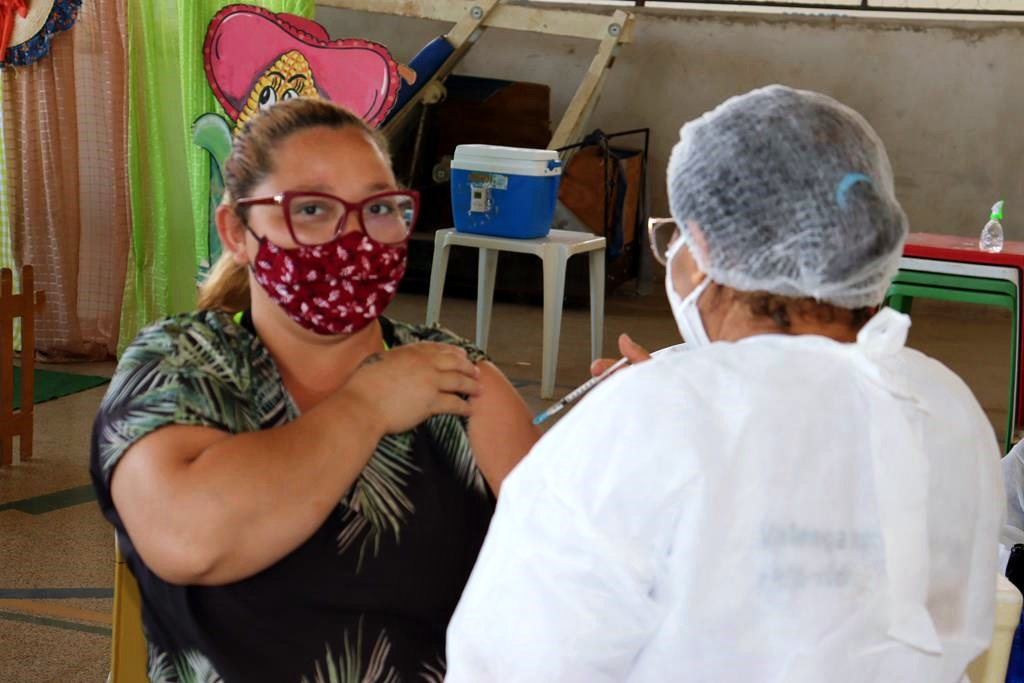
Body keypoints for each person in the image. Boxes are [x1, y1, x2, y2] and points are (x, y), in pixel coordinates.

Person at [445, 85, 1004, 682]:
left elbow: (515, 660)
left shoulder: (648, 417)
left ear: (707, 246)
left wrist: (646, 420)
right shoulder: (946, 406)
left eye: (676, 238)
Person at [89, 97, 539, 682]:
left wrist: (629, 437)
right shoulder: (181, 365)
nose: (352, 235)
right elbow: (190, 537)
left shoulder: (456, 377)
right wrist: (367, 405)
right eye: (310, 209)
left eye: (379, 208)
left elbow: (571, 574)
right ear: (237, 232)